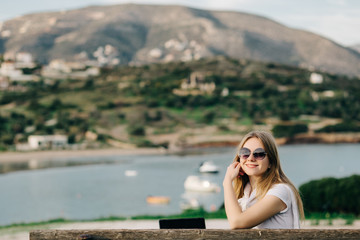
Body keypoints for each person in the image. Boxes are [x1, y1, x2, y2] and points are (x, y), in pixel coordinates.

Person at [223, 130, 304, 229]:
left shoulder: (280, 191)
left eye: (259, 154)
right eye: (245, 153)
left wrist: (227, 182)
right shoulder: (245, 196)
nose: (250, 158)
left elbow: (237, 222)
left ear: (271, 162)